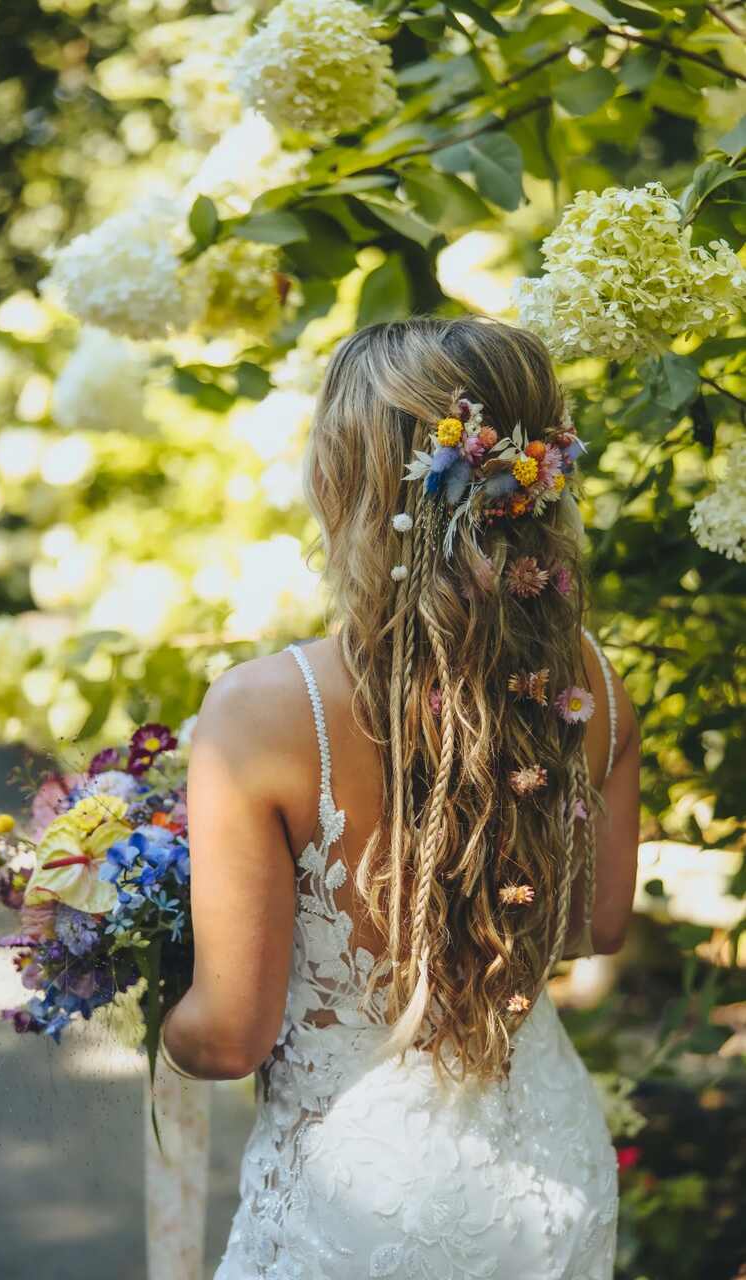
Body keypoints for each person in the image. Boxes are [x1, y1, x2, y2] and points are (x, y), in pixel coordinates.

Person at [160, 316, 640, 1279]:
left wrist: (153, 1006)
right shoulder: (589, 682)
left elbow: (229, 1039)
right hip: (552, 1172)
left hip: (362, 1204)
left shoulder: (264, 710)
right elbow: (597, 925)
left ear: (346, 478)